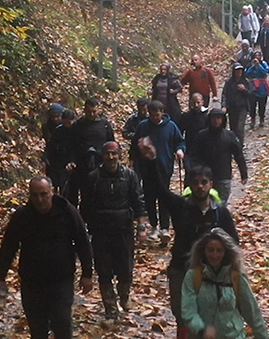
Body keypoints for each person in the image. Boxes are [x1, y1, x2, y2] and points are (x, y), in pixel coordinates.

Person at [0, 177, 95, 339]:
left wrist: (88, 273)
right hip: (32, 283)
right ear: (30, 196)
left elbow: (82, 241)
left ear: (51, 192)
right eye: (35, 195)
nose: (40, 199)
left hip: (61, 281)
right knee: (37, 329)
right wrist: (0, 278)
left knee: (62, 321)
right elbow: (8, 247)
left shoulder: (67, 212)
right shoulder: (22, 217)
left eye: (44, 194)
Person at [155, 167, 238, 339]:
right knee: (184, 320)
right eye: (196, 182)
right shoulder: (181, 208)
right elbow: (159, 191)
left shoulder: (220, 214)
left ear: (211, 184)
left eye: (204, 182)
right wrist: (152, 163)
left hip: (211, 277)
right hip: (182, 272)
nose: (200, 186)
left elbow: (234, 245)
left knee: (208, 320)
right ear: (190, 185)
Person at [66, 141, 147, 321]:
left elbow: (139, 201)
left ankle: (124, 297)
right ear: (102, 156)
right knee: (104, 271)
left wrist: (141, 226)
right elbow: (85, 205)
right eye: (107, 154)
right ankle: (110, 307)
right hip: (101, 231)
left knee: (125, 269)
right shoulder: (93, 177)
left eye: (114, 154)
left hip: (124, 230)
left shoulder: (130, 176)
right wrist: (83, 231)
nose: (111, 158)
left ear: (120, 155)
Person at [130, 100, 186, 243]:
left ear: (162, 112)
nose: (155, 117)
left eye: (157, 114)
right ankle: (154, 226)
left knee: (164, 196)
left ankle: (165, 227)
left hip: (164, 166)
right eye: (153, 115)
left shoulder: (171, 126)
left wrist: (180, 151)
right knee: (149, 197)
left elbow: (179, 141)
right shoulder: (143, 126)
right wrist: (133, 159)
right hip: (146, 167)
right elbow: (135, 145)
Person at [187, 107, 246, 203]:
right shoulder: (201, 136)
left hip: (223, 175)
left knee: (221, 204)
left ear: (223, 120)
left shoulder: (229, 135)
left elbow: (238, 154)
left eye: (219, 118)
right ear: (209, 119)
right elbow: (194, 156)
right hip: (205, 177)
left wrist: (243, 173)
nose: (216, 121)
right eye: (214, 118)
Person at [64, 96, 117, 192]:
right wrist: (71, 160)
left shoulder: (105, 124)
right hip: (82, 165)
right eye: (89, 112)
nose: (91, 114)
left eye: (94, 111)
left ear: (98, 110)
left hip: (101, 163)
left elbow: (111, 143)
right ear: (84, 110)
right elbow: (71, 145)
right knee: (86, 192)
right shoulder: (78, 125)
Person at [220, 64, 250, 143]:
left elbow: (251, 94)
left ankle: (240, 145)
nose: (239, 72)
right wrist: (224, 106)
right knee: (233, 129)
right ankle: (234, 144)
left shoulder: (245, 81)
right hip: (232, 108)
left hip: (242, 107)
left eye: (240, 70)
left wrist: (244, 90)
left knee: (240, 128)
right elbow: (224, 94)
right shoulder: (229, 82)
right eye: (237, 70)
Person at [244, 52, 269, 129]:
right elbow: (246, 73)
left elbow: (266, 72)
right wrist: (253, 66)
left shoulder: (264, 64)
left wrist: (259, 66)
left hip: (262, 87)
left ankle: (261, 119)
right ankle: (252, 119)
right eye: (255, 56)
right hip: (252, 87)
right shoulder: (250, 65)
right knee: (252, 105)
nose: (257, 57)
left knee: (262, 105)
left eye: (259, 55)